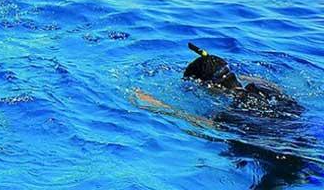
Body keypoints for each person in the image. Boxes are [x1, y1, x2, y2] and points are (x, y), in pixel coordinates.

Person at [134, 43, 313, 189]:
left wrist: (156, 105)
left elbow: (197, 123)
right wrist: (217, 67)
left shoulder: (230, 113)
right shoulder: (268, 89)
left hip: (278, 161)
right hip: (306, 143)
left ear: (209, 87)